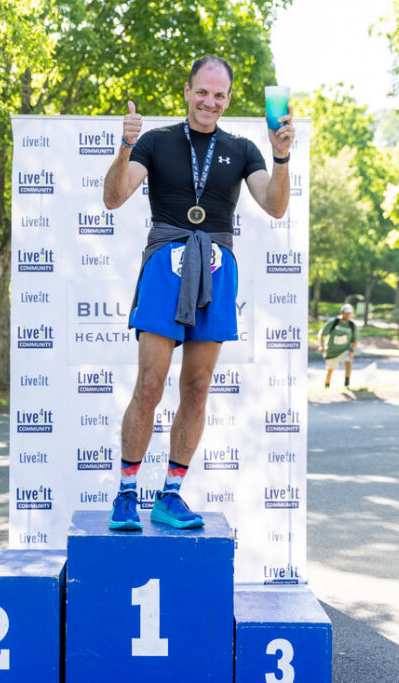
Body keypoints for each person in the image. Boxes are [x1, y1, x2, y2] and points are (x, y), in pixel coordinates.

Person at [102, 55, 294, 530]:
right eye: (202, 92)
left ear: (228, 99)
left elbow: (274, 206)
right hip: (164, 262)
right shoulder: (156, 141)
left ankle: (170, 495)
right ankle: (126, 493)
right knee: (150, 384)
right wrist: (125, 147)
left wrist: (281, 156)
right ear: (187, 91)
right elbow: (113, 197)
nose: (210, 101)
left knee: (197, 387)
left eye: (219, 95)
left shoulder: (243, 149)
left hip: (217, 266)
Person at [317, 304, 359, 389]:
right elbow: (321, 334)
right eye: (346, 313)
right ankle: (327, 386)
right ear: (342, 313)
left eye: (350, 314)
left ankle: (346, 385)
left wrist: (351, 351)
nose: (348, 315)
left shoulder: (352, 325)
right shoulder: (334, 322)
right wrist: (321, 346)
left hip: (345, 349)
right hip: (332, 351)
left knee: (348, 363)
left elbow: (355, 339)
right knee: (330, 371)